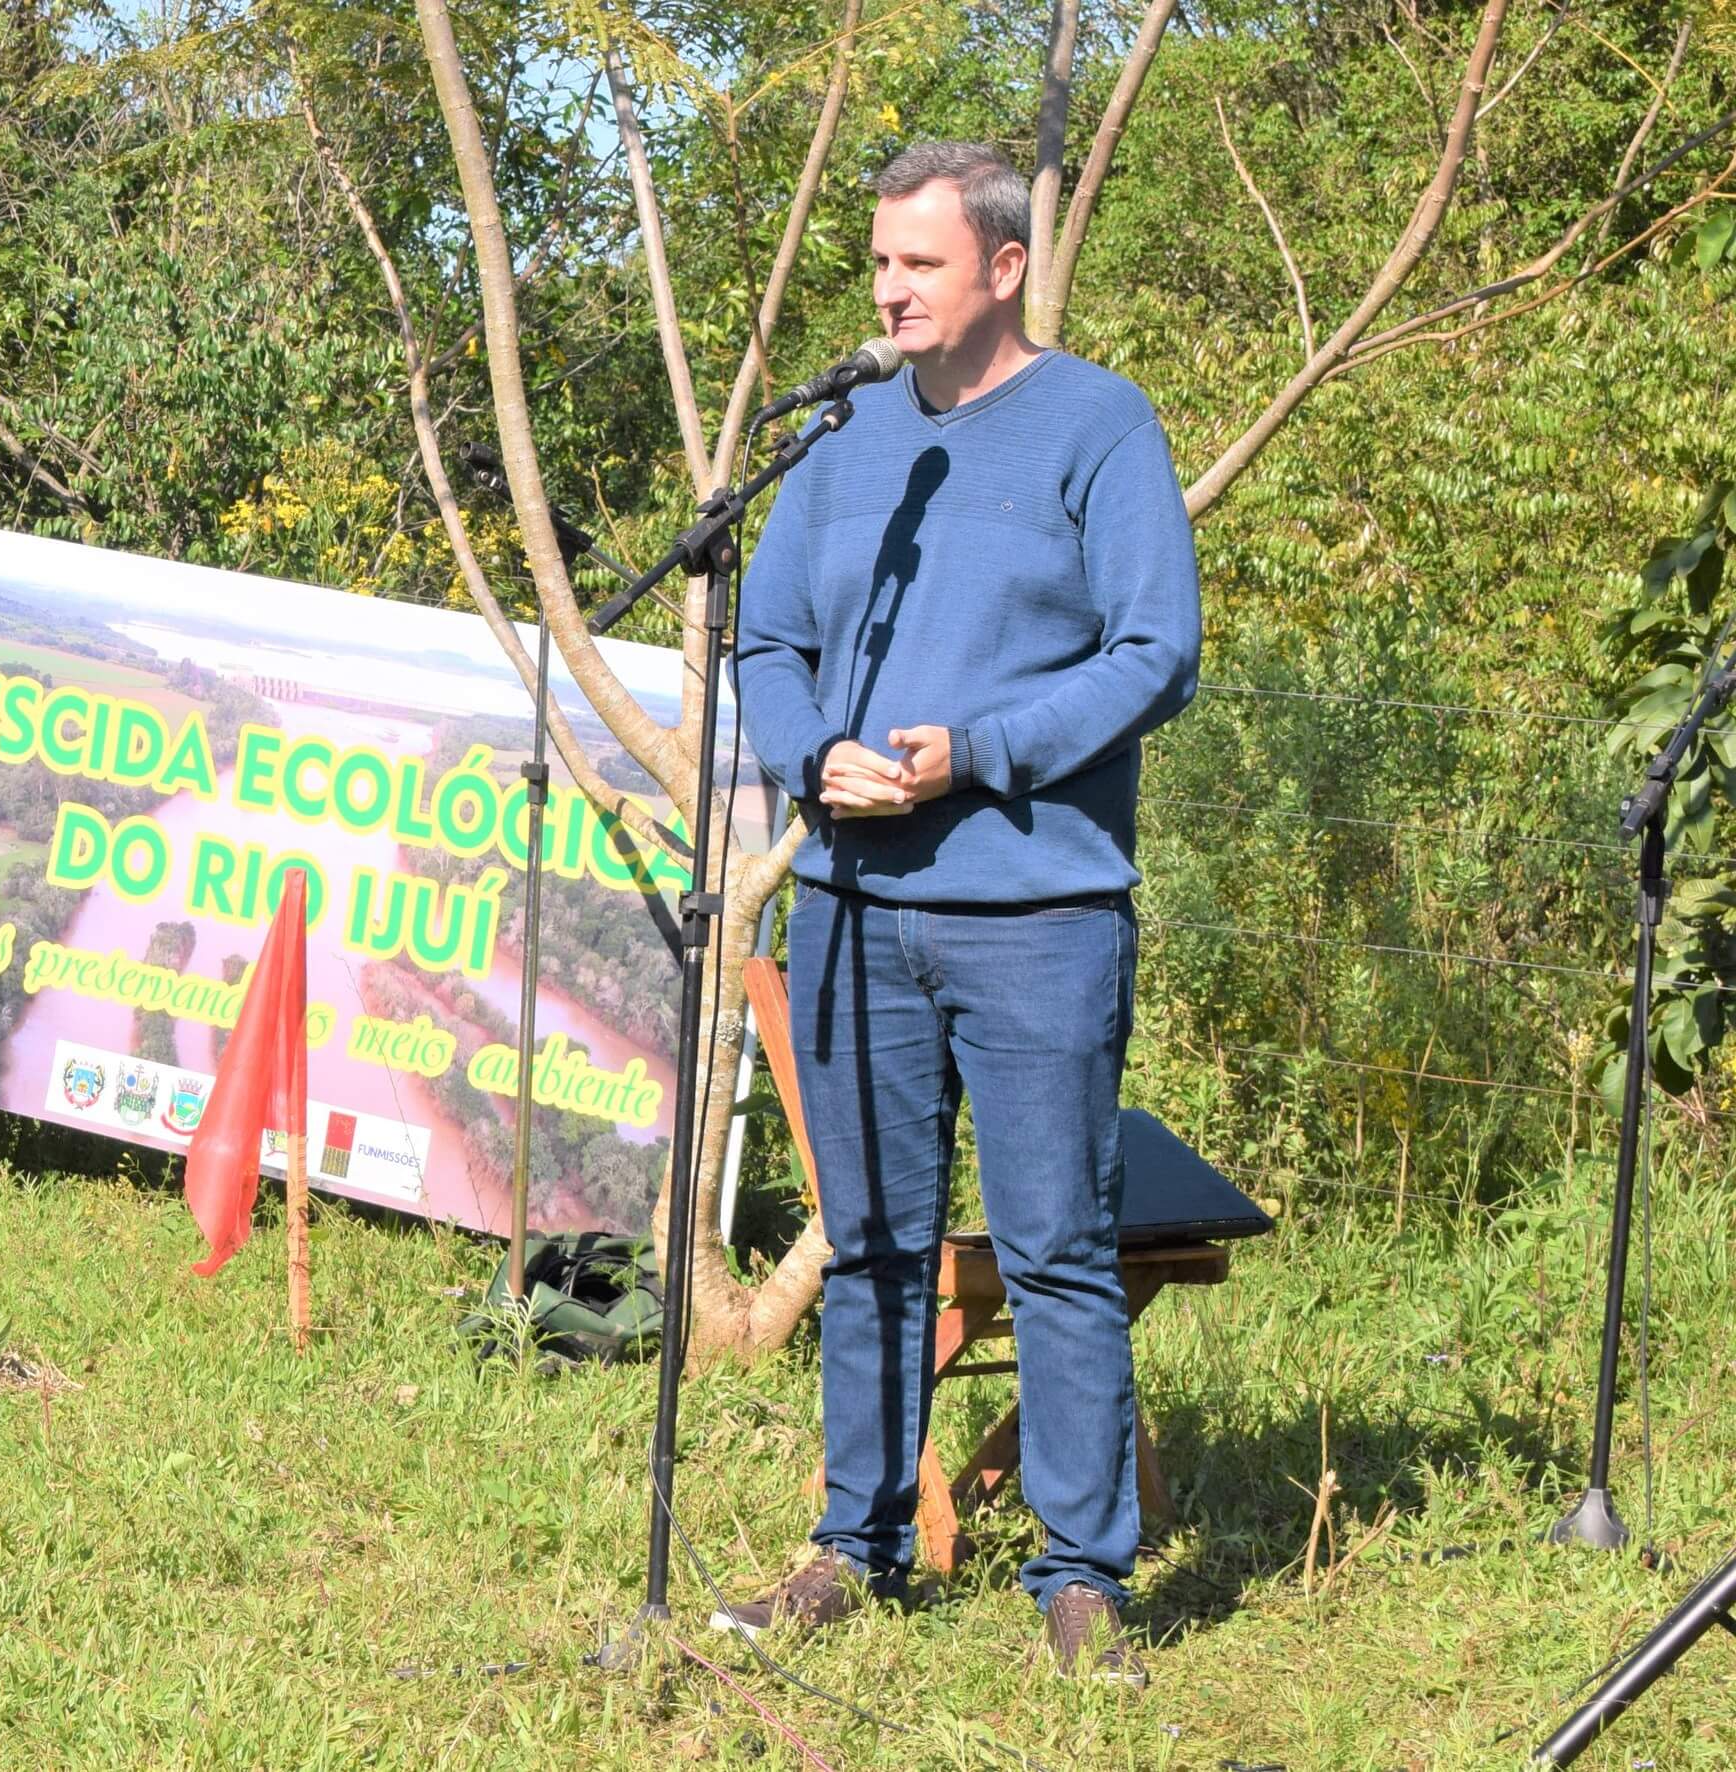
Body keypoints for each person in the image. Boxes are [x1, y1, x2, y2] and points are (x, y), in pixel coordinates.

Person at [722, 141, 1201, 1688]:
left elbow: (1156, 653)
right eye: (878, 264)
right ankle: (850, 1548)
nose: (888, 289)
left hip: (1038, 908)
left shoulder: (1100, 425)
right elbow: (768, 642)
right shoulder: (848, 434)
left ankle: (1080, 1580)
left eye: (919, 265)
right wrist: (812, 755)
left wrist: (973, 753)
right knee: (869, 1246)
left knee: (1057, 1247)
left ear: (1003, 269)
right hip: (854, 902)